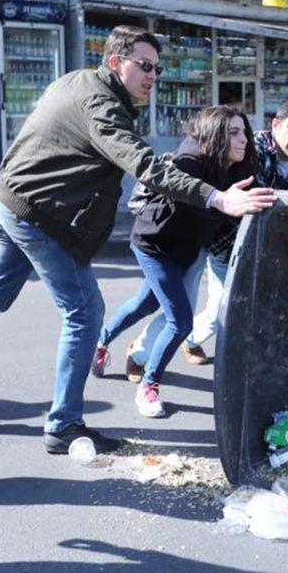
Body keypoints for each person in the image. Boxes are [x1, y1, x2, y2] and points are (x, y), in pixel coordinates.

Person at [0, 26, 276, 455]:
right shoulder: (101, 104)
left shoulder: (78, 81)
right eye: (144, 65)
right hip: (38, 217)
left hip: (9, 202)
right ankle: (64, 424)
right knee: (85, 312)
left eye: (156, 68)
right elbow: (141, 163)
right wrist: (217, 198)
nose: (152, 75)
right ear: (115, 61)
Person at [98, 95, 288, 381]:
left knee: (213, 315)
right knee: (176, 312)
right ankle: (138, 355)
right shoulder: (252, 149)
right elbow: (197, 174)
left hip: (237, 247)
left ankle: (189, 340)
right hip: (202, 236)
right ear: (276, 124)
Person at [97, 105, 257, 418]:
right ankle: (148, 386)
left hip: (187, 250)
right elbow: (196, 196)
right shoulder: (189, 159)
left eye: (244, 132)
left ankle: (102, 341)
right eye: (234, 133)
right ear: (214, 136)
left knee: (145, 304)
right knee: (181, 320)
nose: (244, 140)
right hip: (154, 246)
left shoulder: (237, 166)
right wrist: (223, 200)